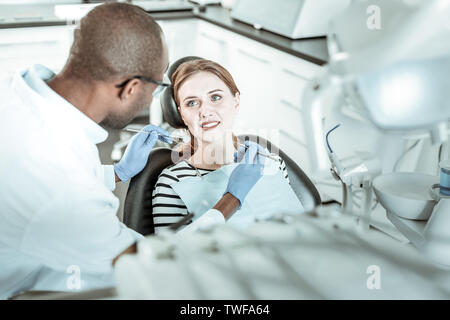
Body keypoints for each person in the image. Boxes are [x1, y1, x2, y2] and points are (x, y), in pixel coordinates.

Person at [0, 3, 263, 299]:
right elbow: (148, 265)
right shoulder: (65, 187)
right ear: (130, 88)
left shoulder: (13, 87)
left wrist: (116, 172)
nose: (155, 97)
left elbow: (38, 182)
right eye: (157, 85)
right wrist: (231, 199)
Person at [151, 59, 294, 233]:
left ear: (236, 101)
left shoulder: (270, 163)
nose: (205, 111)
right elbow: (168, 255)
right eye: (192, 103)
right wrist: (231, 198)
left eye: (215, 97)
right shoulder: (172, 182)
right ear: (181, 114)